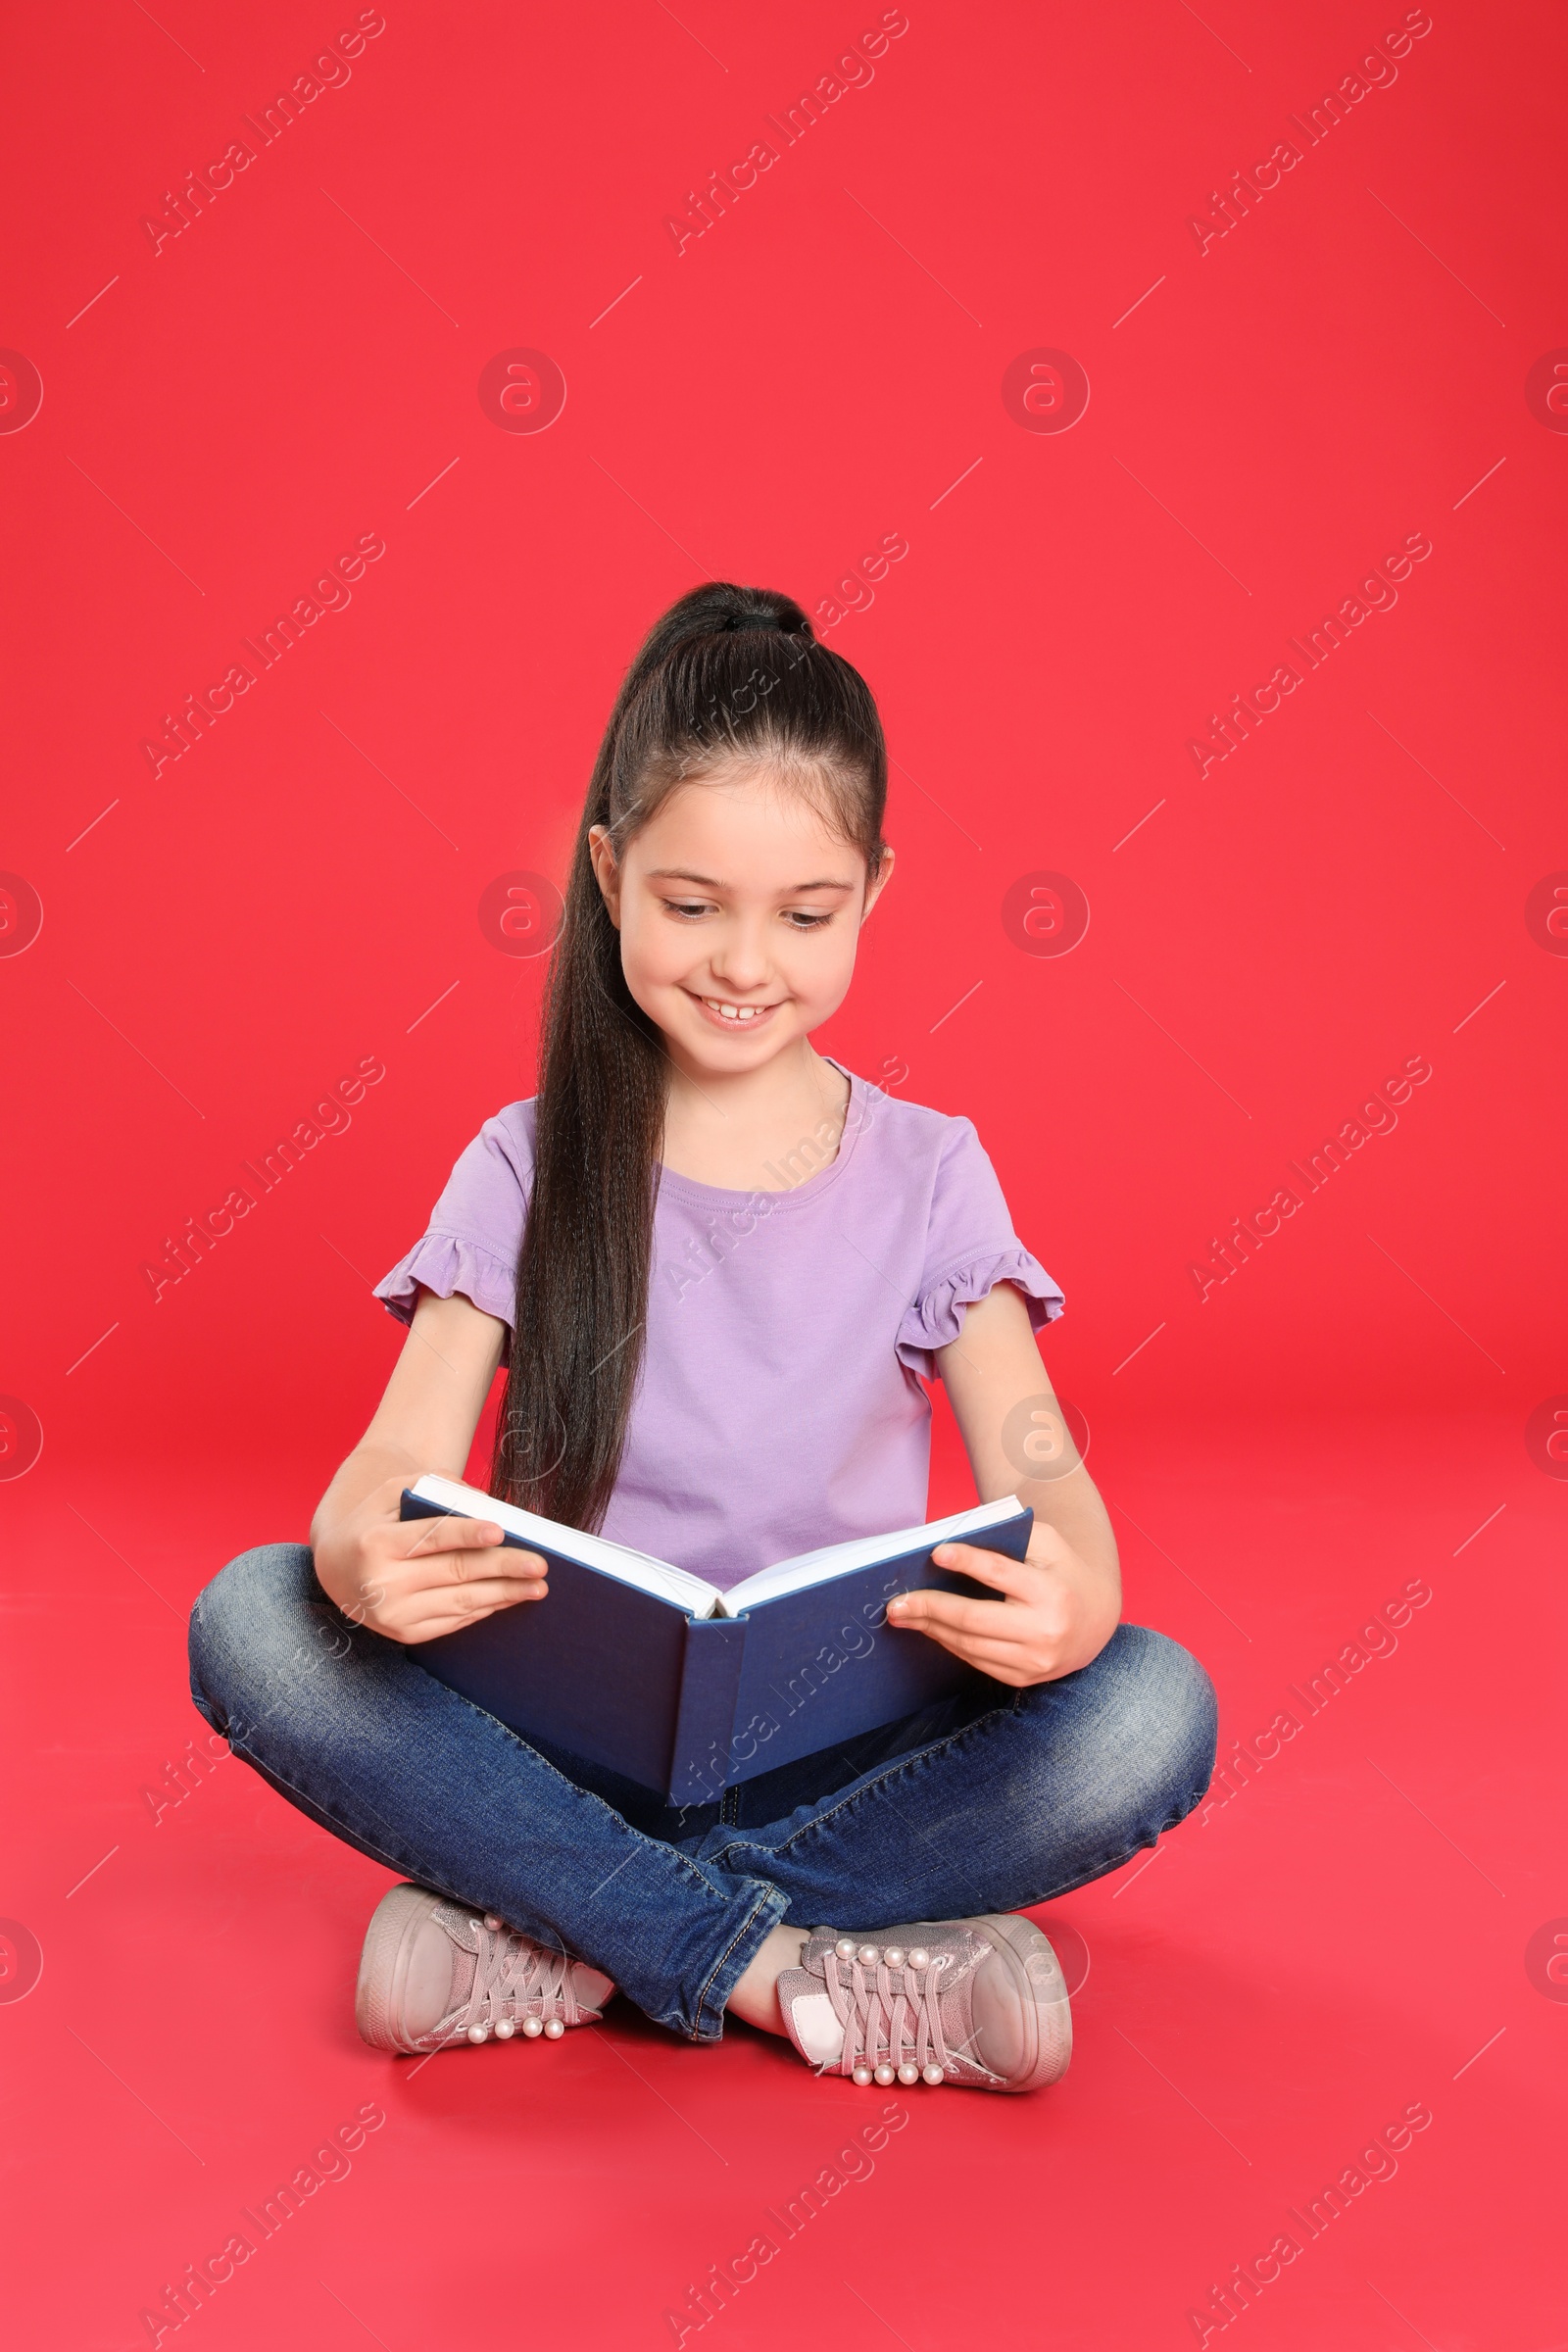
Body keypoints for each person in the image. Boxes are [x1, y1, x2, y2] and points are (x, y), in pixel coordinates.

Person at [189, 583, 1216, 2095]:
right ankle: (794, 1970)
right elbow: (391, 1461)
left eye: (804, 915)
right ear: (607, 875)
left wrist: (1076, 1589)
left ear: (874, 890)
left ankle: (571, 1930)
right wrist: (357, 1550)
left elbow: (1042, 1464)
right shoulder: (527, 1160)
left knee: (1149, 1708)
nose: (745, 964)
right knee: (256, 1619)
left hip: (845, 1757)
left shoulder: (933, 1171)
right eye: (691, 906)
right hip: (560, 1747)